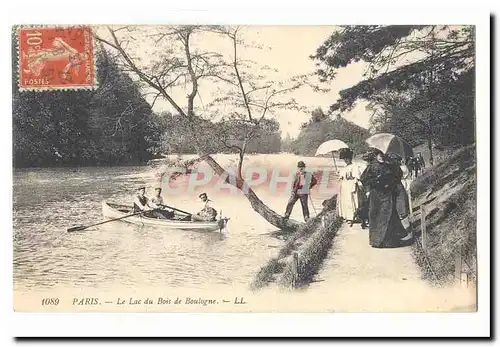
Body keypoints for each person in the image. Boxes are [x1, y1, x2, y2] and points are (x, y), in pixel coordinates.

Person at [359, 149, 408, 248]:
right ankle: (377, 241)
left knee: (389, 216)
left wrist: (391, 176)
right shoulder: (371, 167)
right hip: (376, 196)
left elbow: (398, 177)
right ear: (375, 156)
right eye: (378, 154)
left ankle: (390, 242)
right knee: (376, 217)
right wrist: (375, 181)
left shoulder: (390, 165)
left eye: (382, 154)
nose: (381, 156)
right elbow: (364, 180)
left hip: (388, 195)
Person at [337, 149, 367, 225]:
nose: (346, 160)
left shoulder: (354, 166)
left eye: (347, 159)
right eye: (345, 159)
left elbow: (356, 176)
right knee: (345, 201)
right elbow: (342, 176)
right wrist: (340, 174)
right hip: (345, 186)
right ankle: (347, 216)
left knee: (351, 200)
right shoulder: (344, 168)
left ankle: (353, 216)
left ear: (350, 159)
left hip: (351, 185)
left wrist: (354, 180)